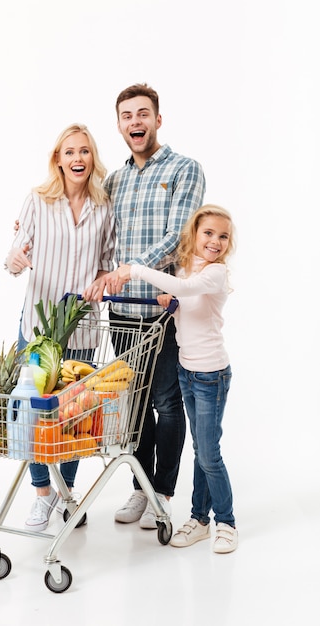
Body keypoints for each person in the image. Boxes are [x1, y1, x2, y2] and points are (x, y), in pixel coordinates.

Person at [84, 83, 206, 529]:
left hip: (165, 310)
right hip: (122, 312)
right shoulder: (113, 181)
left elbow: (179, 235)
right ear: (119, 125)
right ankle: (141, 487)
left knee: (167, 403)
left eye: (142, 114)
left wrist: (131, 270)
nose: (135, 122)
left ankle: (163, 494)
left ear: (158, 119)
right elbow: (92, 230)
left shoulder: (184, 169)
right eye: (126, 116)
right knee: (133, 405)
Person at [5, 123, 115, 532]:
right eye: (70, 152)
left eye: (84, 151)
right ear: (58, 159)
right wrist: (15, 261)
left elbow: (105, 263)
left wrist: (102, 285)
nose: (77, 159)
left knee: (74, 418)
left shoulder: (104, 206)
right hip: (38, 327)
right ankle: (43, 495)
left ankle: (66, 494)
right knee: (34, 413)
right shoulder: (37, 200)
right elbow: (16, 250)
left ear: (92, 158)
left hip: (82, 327)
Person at [115, 204, 238, 553]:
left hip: (211, 375)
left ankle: (226, 523)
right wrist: (175, 300)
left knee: (210, 454)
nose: (215, 241)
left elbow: (186, 287)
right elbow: (184, 293)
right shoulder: (189, 267)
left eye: (223, 236)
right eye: (208, 233)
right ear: (195, 235)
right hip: (186, 370)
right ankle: (199, 520)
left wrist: (136, 269)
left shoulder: (215, 273)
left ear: (229, 243)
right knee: (201, 451)